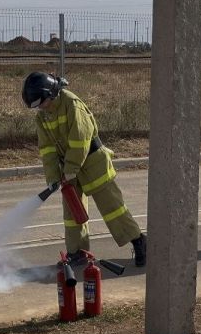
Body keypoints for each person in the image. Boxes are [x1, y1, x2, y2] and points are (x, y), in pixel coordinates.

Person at [22, 71, 147, 267]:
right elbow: (47, 150)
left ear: (50, 93)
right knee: (72, 213)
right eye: (36, 106)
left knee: (113, 208)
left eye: (41, 103)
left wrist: (70, 168)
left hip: (92, 162)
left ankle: (139, 242)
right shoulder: (42, 117)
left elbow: (80, 140)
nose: (41, 108)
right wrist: (53, 176)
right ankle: (77, 253)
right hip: (69, 169)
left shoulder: (71, 104)